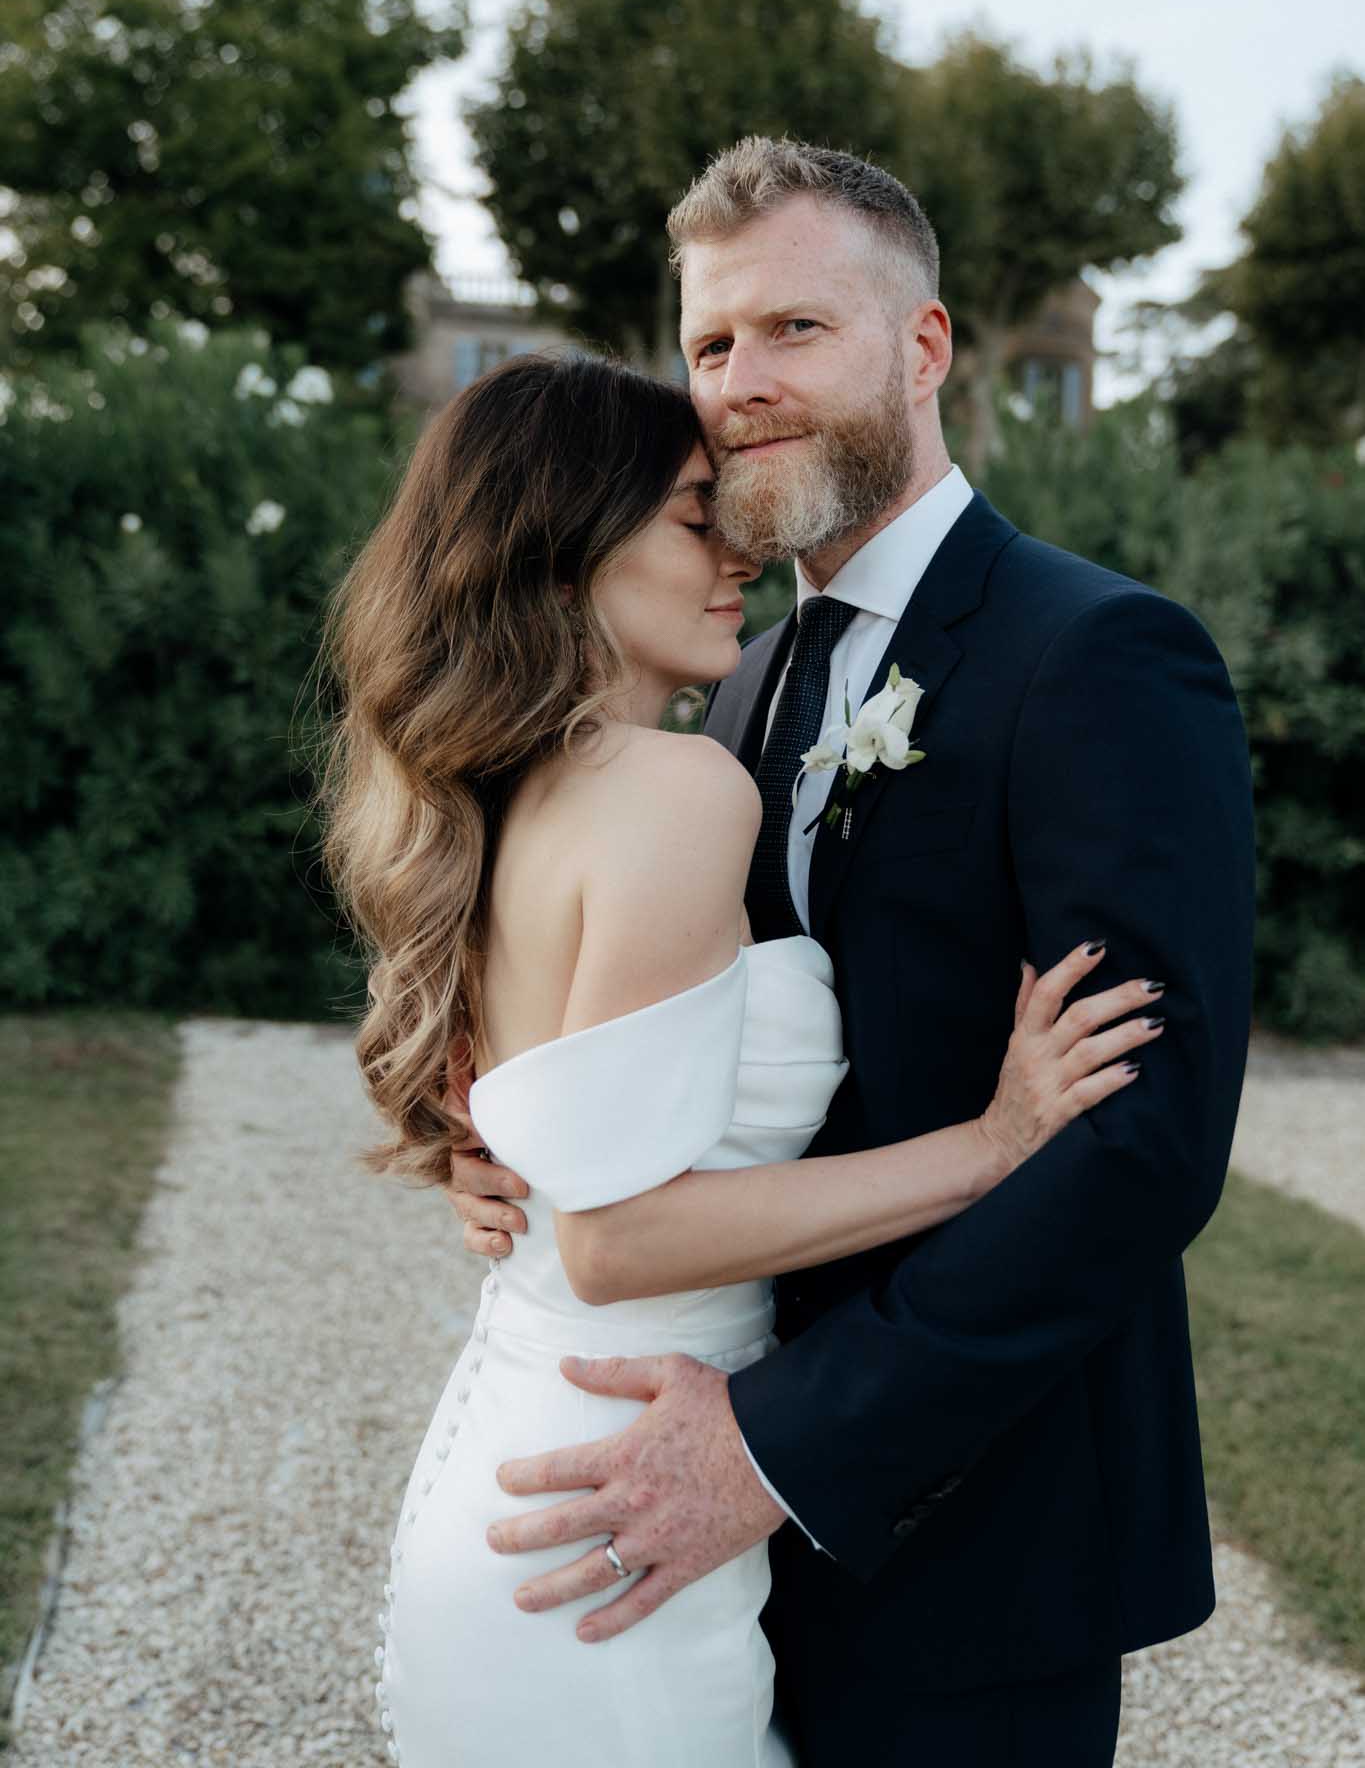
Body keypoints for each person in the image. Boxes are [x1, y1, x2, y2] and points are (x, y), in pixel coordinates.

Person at [447, 140, 1257, 1767]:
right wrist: (521, 1137)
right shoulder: (735, 687)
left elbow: (1139, 1150)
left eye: (794, 329)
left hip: (976, 1516)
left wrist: (778, 1448)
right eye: (711, 344)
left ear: (925, 345)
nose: (739, 383)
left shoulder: (1096, 656)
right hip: (700, 1475)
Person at [318, 349, 1158, 1768]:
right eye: (692, 517)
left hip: (538, 1470)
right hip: (603, 1511)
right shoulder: (676, 782)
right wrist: (993, 1143)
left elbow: (560, 1120)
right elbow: (614, 1238)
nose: (736, 552)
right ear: (567, 543)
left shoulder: (515, 787)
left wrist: (498, 1159)